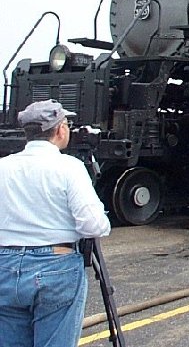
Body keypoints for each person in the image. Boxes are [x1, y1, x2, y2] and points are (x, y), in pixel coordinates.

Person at [0, 99, 111, 347]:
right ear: (60, 129)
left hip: (4, 265)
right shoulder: (69, 168)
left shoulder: (2, 167)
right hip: (55, 266)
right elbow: (94, 226)